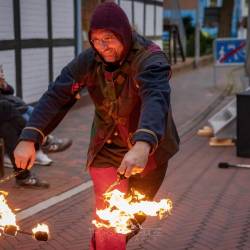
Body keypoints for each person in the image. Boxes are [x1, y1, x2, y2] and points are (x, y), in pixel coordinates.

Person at [14, 2, 179, 249]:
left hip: (149, 152)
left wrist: (143, 144)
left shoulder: (150, 58)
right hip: (107, 150)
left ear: (123, 33)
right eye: (96, 40)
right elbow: (57, 94)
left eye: (109, 39)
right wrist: (30, 137)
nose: (103, 47)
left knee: (130, 220)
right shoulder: (89, 60)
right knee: (111, 223)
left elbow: (155, 96)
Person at [0, 65, 72, 166]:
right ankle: (42, 144)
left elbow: (10, 91)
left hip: (16, 107)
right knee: (23, 119)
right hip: (9, 112)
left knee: (34, 114)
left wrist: (3, 85)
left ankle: (42, 143)